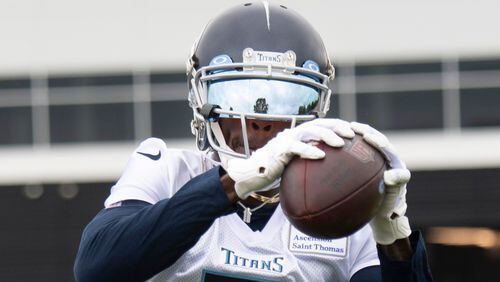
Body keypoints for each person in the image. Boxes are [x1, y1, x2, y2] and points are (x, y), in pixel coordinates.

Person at [74, 2, 433, 281]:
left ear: (316, 110)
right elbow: (96, 268)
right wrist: (232, 185)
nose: (261, 119)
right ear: (203, 101)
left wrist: (393, 239)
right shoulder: (167, 170)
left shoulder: (343, 206)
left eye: (287, 99)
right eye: (238, 95)